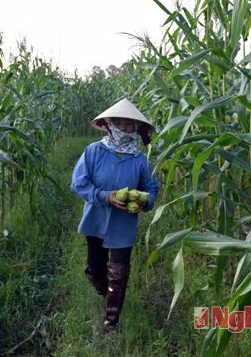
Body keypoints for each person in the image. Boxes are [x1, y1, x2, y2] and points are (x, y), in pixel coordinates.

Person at [70, 98, 159, 332]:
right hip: (95, 223)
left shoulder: (141, 161)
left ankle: (111, 324)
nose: (124, 128)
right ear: (110, 124)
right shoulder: (94, 152)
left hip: (124, 227)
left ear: (137, 128)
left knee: (118, 276)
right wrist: (104, 197)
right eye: (119, 123)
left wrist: (145, 202)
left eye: (129, 124)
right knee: (97, 271)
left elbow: (152, 189)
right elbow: (78, 183)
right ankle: (100, 284)